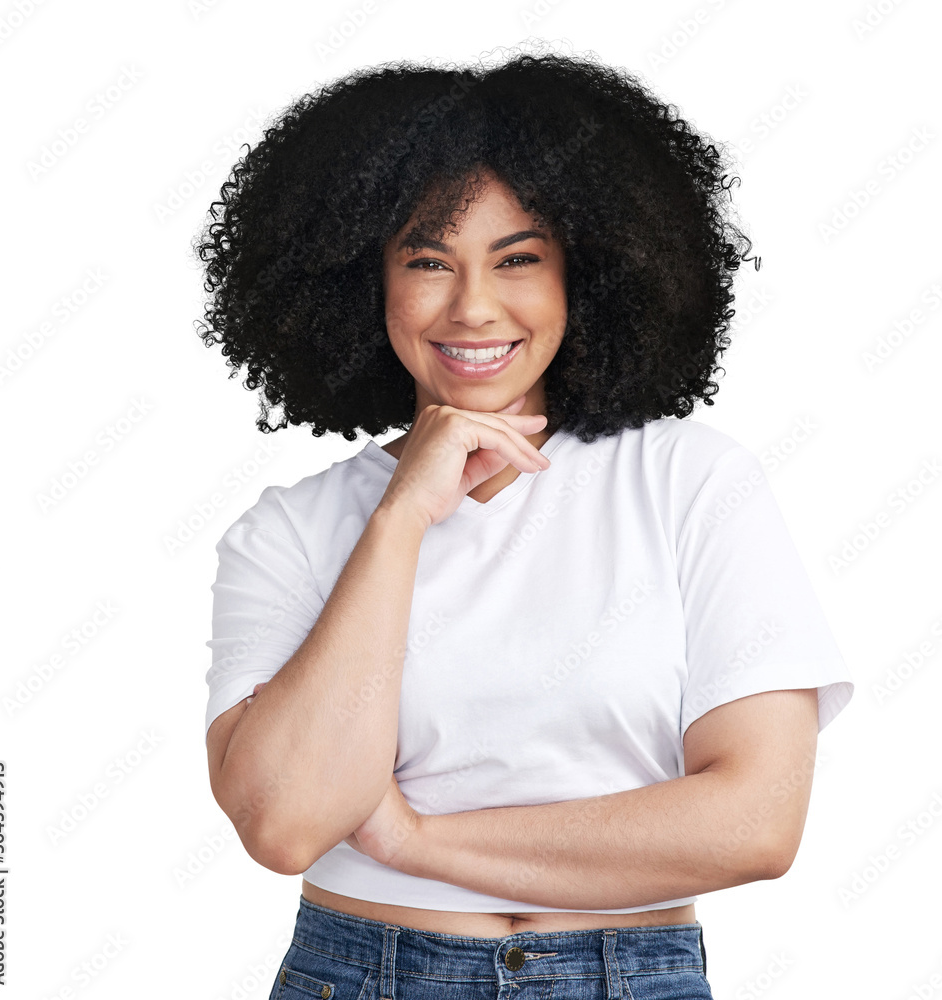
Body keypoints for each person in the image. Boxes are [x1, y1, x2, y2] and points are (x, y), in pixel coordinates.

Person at [196, 48, 854, 1000]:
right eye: (428, 261)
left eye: (519, 260)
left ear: (584, 274)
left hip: (629, 976)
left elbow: (754, 823)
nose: (473, 306)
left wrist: (412, 839)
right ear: (362, 280)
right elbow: (287, 822)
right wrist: (400, 519)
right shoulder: (291, 532)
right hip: (365, 974)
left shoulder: (689, 482)